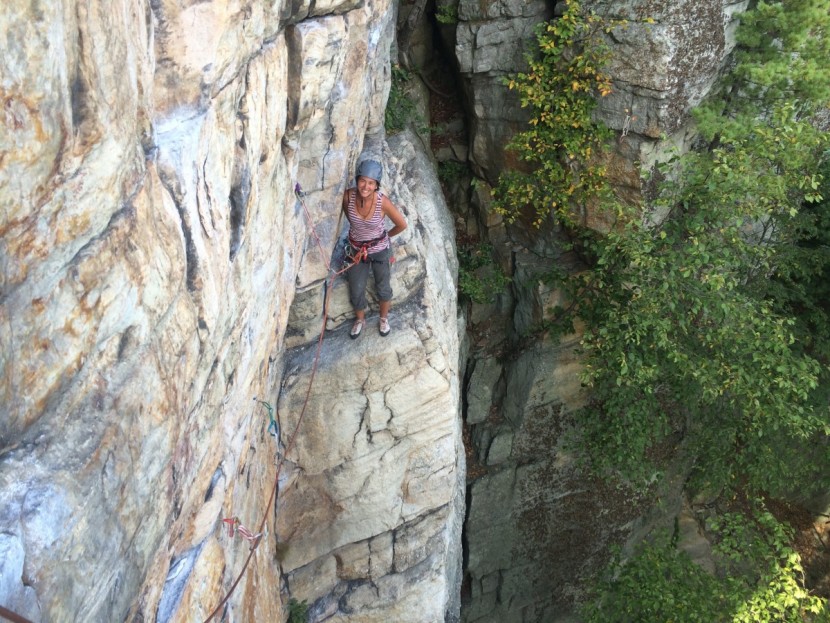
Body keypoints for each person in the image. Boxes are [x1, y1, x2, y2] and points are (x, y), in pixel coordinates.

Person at [342, 159, 407, 338]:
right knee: (356, 288)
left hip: (380, 250)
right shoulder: (348, 197)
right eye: (362, 181)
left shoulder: (382, 202)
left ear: (376, 185)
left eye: (371, 183)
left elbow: (402, 225)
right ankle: (360, 320)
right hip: (356, 250)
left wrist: (384, 237)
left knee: (383, 286)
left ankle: (383, 318)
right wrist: (361, 238)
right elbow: (351, 219)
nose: (365, 186)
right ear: (357, 180)